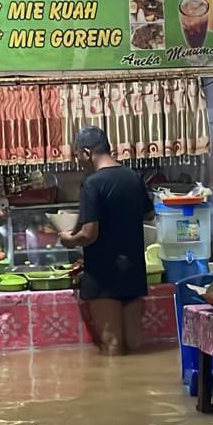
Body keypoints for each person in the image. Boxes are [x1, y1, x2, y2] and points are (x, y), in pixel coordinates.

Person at [60, 126, 154, 355]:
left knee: (112, 345)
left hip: (104, 273)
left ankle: (113, 388)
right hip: (134, 269)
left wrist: (68, 240)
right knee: (134, 344)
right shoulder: (133, 177)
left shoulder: (92, 184)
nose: (79, 162)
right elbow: (149, 214)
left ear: (86, 152)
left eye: (77, 156)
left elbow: (89, 234)